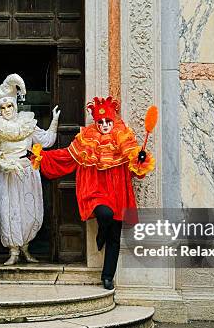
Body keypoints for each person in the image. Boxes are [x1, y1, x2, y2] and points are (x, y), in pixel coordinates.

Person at [30, 96, 155, 290]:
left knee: (115, 236)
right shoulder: (86, 141)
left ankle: (107, 277)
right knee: (104, 214)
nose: (104, 125)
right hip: (96, 191)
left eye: (108, 121)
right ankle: (101, 234)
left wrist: (140, 160)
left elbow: (135, 172)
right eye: (100, 122)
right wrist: (42, 156)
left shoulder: (124, 140)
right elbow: (66, 157)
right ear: (96, 122)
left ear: (113, 121)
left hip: (118, 191)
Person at [0, 74, 60, 265]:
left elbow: (47, 140)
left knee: (29, 210)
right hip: (6, 175)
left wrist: (54, 121)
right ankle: (13, 251)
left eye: (10, 106)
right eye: (3, 107)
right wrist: (2, 163)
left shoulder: (27, 123)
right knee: (8, 210)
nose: (6, 110)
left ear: (15, 105)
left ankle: (26, 249)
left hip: (26, 173)